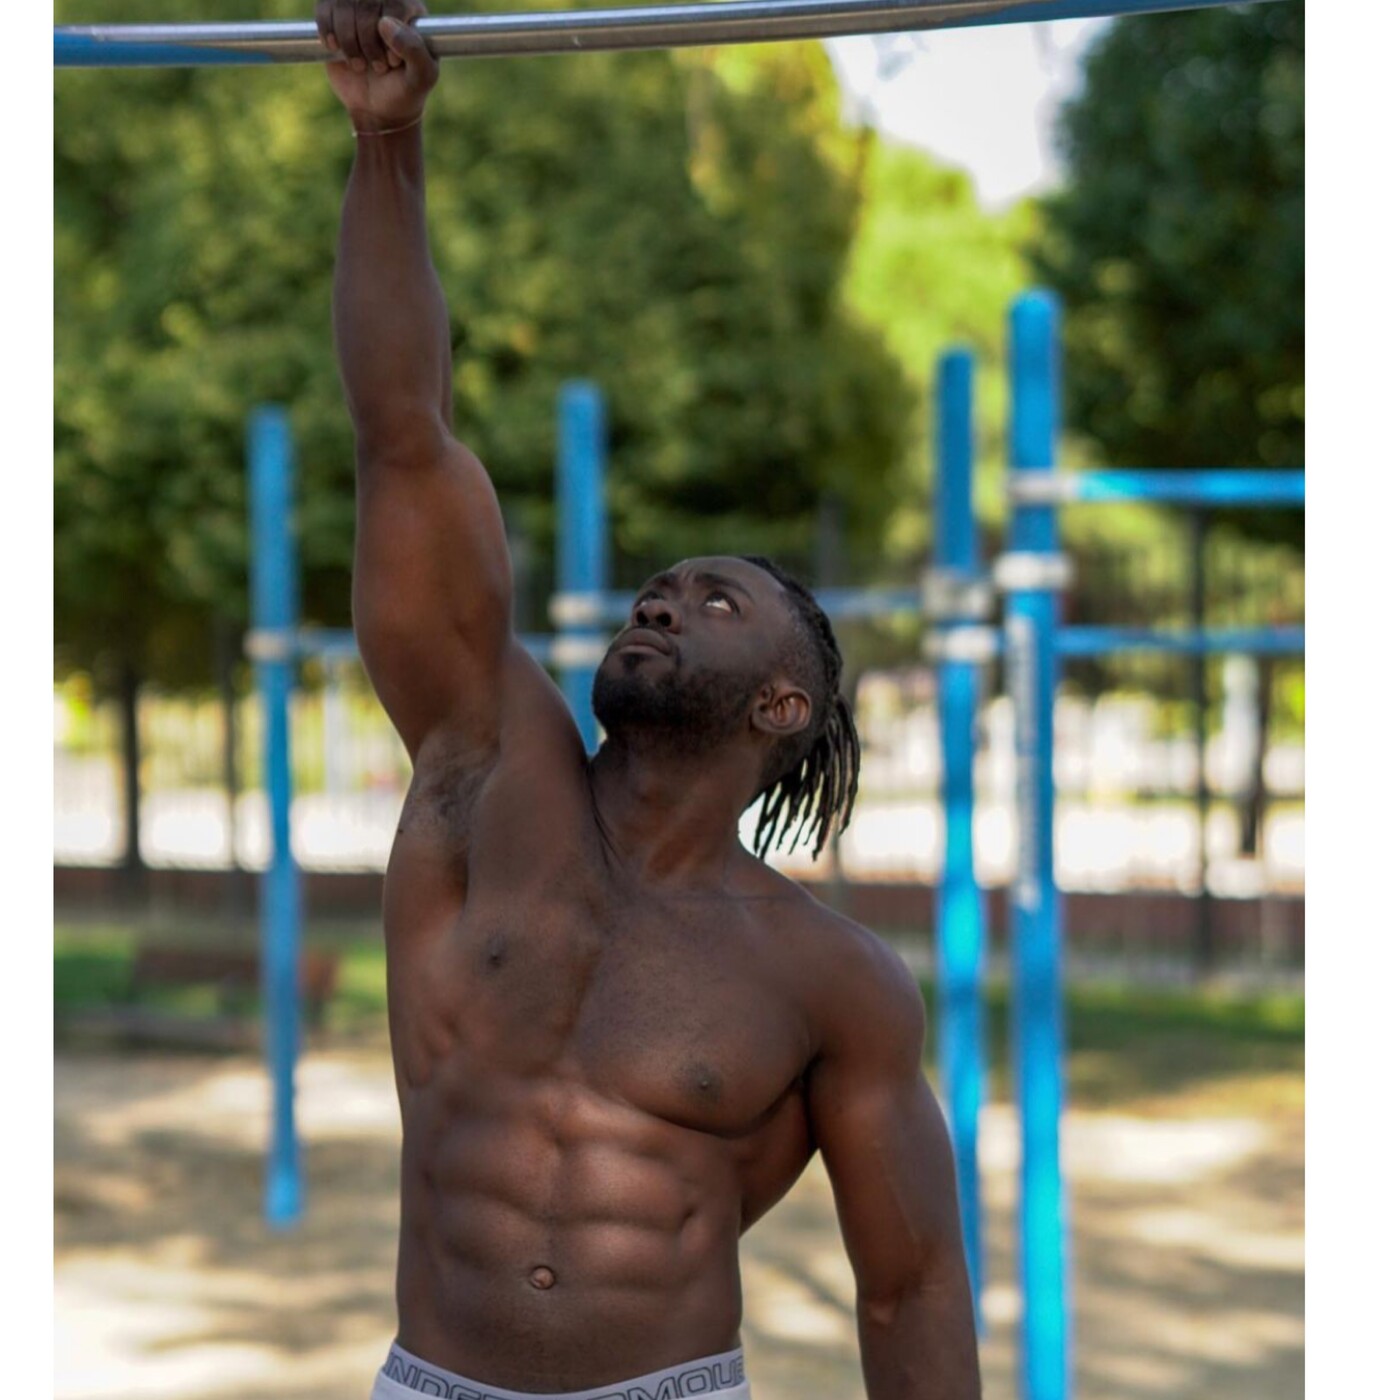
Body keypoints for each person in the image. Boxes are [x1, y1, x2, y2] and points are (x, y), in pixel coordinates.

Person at [316, 3, 980, 1396]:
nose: (664, 600)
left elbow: (909, 1287)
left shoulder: (833, 981)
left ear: (783, 707)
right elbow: (402, 433)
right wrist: (389, 142)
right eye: (661, 588)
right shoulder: (483, 767)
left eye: (716, 601)